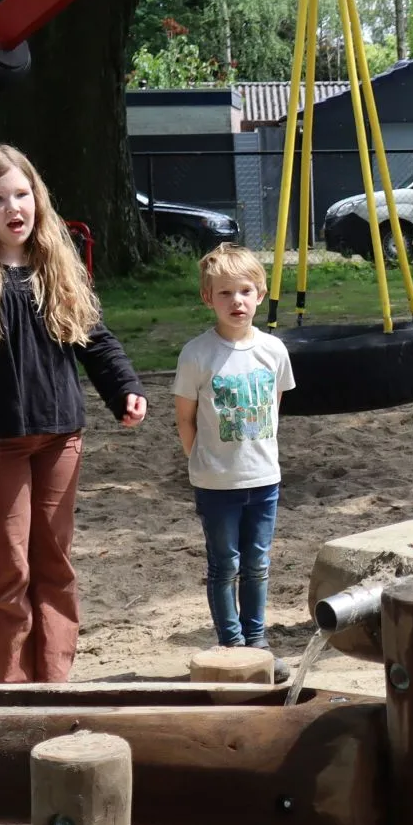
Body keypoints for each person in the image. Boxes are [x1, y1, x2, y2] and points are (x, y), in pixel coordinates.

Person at [0, 144, 148, 684]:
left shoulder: (54, 267)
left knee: (54, 564)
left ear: (36, 198)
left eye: (22, 194)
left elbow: (97, 341)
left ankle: (54, 685)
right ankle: (7, 697)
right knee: (6, 569)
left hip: (60, 438)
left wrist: (125, 389)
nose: (14, 207)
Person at [174, 244, 297, 650]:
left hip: (263, 478)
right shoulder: (197, 354)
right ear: (208, 298)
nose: (236, 301)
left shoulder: (273, 350)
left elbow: (273, 410)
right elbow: (186, 419)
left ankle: (257, 638)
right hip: (216, 481)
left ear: (260, 294)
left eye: (245, 291)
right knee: (225, 563)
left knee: (257, 563)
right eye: (225, 293)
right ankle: (232, 641)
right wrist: (202, 462)